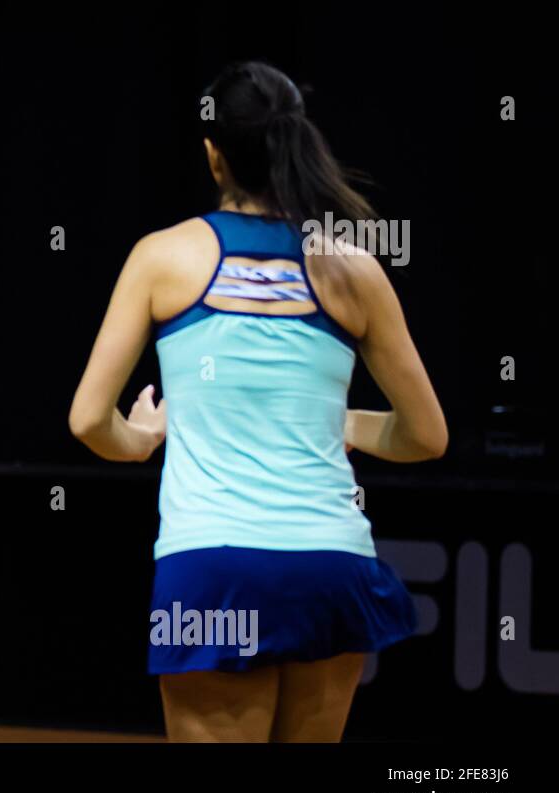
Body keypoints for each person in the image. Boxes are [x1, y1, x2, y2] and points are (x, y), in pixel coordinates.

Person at [69, 61, 447, 741]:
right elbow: (426, 436)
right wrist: (343, 423)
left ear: (214, 154)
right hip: (331, 567)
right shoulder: (351, 267)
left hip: (212, 569)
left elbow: (90, 421)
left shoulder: (163, 257)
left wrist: (146, 437)